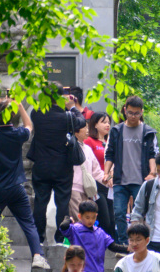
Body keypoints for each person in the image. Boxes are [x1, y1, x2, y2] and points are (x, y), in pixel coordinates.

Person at [0, 98, 46, 272]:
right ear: (12, 117)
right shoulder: (18, 134)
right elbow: (29, 126)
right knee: (28, 223)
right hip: (16, 187)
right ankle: (37, 256)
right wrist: (20, 105)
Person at [29, 90, 83, 247]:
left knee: (40, 202)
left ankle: (38, 237)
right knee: (62, 203)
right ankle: (60, 237)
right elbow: (81, 121)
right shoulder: (66, 116)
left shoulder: (37, 114)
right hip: (63, 167)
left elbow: (38, 109)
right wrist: (72, 106)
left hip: (41, 165)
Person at [105, 97, 158, 244]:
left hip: (140, 180)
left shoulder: (148, 132)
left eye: (136, 113)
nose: (133, 116)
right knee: (119, 213)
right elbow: (109, 154)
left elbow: (152, 154)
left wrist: (152, 173)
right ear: (124, 111)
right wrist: (106, 173)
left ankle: (140, 242)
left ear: (141, 112)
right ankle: (123, 242)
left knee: (140, 214)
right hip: (120, 180)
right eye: (130, 113)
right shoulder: (116, 131)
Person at [67, 199, 114, 272]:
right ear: (80, 216)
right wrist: (68, 219)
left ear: (96, 216)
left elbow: (112, 246)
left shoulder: (100, 232)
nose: (90, 220)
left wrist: (127, 249)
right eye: (87, 217)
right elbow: (63, 227)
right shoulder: (75, 230)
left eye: (93, 217)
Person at [70, 118, 106, 222]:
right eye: (84, 127)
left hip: (87, 191)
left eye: (87, 127)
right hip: (73, 189)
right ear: (76, 129)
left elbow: (96, 171)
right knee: (79, 222)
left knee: (85, 222)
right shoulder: (70, 146)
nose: (87, 130)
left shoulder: (87, 149)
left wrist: (108, 180)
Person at [87, 112, 115, 236]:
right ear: (95, 124)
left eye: (109, 122)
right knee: (105, 219)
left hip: (109, 185)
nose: (107, 125)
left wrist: (111, 176)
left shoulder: (110, 142)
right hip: (96, 185)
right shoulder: (90, 142)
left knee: (112, 220)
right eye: (103, 122)